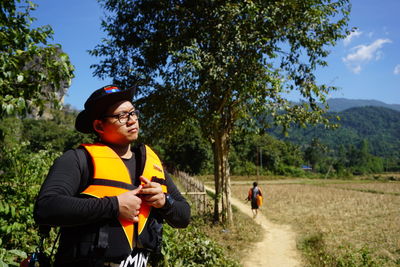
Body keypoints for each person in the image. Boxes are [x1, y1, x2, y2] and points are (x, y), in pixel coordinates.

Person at [34, 85, 191, 267]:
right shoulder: (78, 159)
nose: (132, 120)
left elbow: (184, 216)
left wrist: (164, 200)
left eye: (133, 113)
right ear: (99, 126)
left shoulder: (152, 165)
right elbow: (45, 208)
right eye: (121, 116)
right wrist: (113, 205)